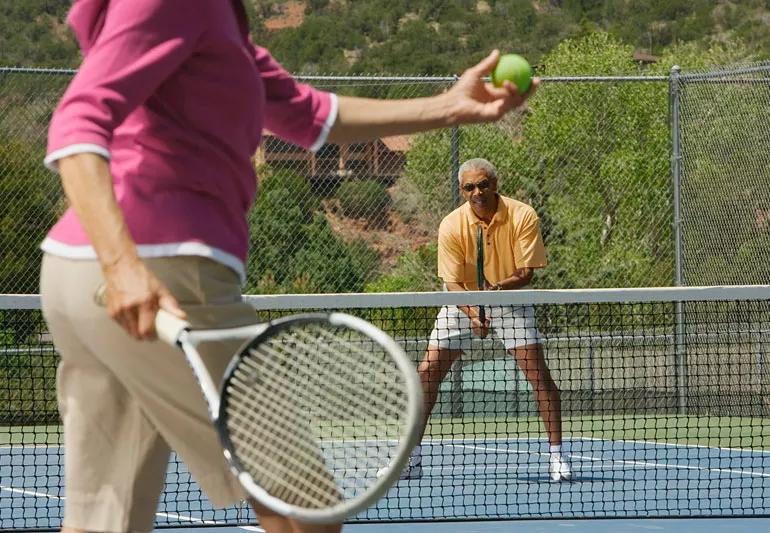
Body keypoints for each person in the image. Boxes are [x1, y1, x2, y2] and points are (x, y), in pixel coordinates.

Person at [39, 1, 540, 533]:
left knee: (104, 519)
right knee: (306, 513)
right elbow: (79, 118)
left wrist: (450, 106)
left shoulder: (220, 23)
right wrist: (122, 266)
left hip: (82, 275)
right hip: (159, 272)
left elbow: (311, 115)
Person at [400, 158, 573, 482]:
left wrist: (494, 293)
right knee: (426, 374)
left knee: (540, 378)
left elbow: (525, 273)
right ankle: (411, 458)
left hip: (509, 298)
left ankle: (558, 457)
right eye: (469, 187)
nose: (477, 192)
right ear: (461, 190)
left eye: (483, 184)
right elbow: (451, 283)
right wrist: (472, 312)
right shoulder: (451, 225)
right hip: (461, 300)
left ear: (495, 184)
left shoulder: (522, 215)